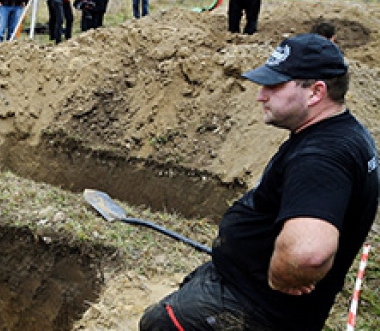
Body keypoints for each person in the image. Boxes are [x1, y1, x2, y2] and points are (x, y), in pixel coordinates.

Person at [139, 33, 379, 331]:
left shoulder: (321, 156)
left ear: (315, 92)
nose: (260, 94)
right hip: (248, 290)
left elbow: (308, 253)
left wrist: (283, 274)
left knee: (160, 324)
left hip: (256, 308)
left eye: (274, 85)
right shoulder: (343, 134)